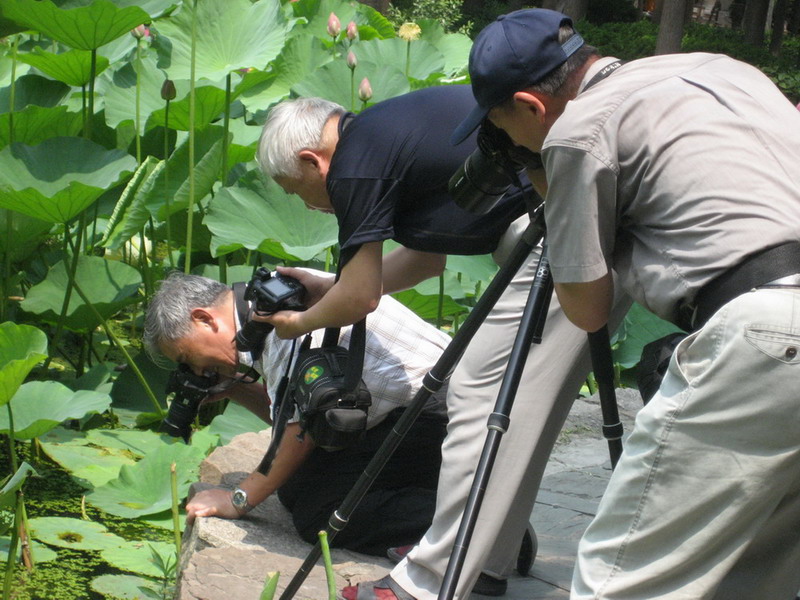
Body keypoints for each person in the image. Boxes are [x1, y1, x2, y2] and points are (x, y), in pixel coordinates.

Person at [453, 7, 800, 599]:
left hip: (764, 335)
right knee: (755, 578)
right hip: (778, 320)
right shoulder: (723, 68)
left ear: (530, 106)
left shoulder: (576, 132)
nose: (507, 144)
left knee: (619, 576)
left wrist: (548, 176)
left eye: (503, 127)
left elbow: (587, 311)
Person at [256, 86, 630, 599]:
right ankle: (483, 566)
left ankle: (431, 580)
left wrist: (300, 323)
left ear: (310, 160)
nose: (307, 203)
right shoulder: (383, 132)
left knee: (478, 398)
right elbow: (422, 260)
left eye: (297, 190)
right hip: (577, 218)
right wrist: (331, 290)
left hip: (556, 232)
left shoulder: (353, 164)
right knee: (514, 407)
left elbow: (361, 299)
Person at [143, 270, 451, 557]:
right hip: (404, 412)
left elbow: (298, 434)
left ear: (204, 319)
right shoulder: (267, 300)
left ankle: (465, 519)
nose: (197, 370)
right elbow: (302, 417)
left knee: (324, 519)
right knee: (294, 488)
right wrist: (236, 387)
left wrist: (239, 499)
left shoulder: (282, 323)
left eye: (187, 357)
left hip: (440, 413)